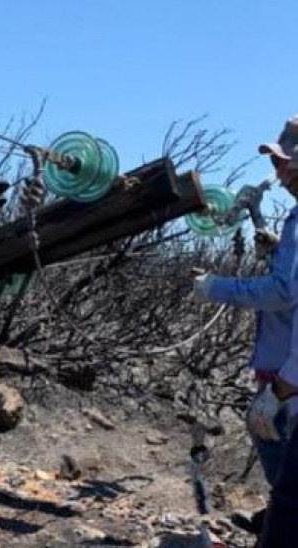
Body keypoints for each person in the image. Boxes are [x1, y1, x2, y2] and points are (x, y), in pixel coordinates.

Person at [192, 115, 298, 546]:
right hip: (284, 364)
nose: (281, 172)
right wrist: (277, 247)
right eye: (278, 164)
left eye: (289, 163)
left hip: (289, 372)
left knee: (282, 451)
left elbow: (282, 291)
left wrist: (215, 287)